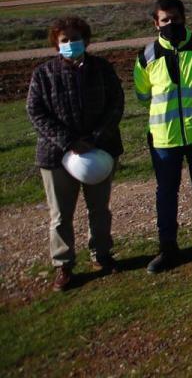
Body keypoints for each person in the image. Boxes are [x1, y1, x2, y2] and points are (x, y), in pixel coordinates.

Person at [26, 17, 124, 291]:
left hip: (100, 151)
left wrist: (94, 138)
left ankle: (102, 255)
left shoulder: (102, 69)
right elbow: (35, 112)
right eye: (65, 40)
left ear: (86, 40)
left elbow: (116, 103)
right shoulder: (43, 74)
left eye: (76, 38)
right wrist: (68, 141)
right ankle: (64, 264)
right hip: (56, 156)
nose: (71, 43)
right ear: (56, 44)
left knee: (100, 208)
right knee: (60, 213)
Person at [134, 0, 192, 273]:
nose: (170, 24)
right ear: (156, 23)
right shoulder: (146, 56)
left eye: (175, 18)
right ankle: (168, 247)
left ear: (184, 17)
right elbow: (143, 95)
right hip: (164, 139)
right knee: (166, 192)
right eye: (164, 20)